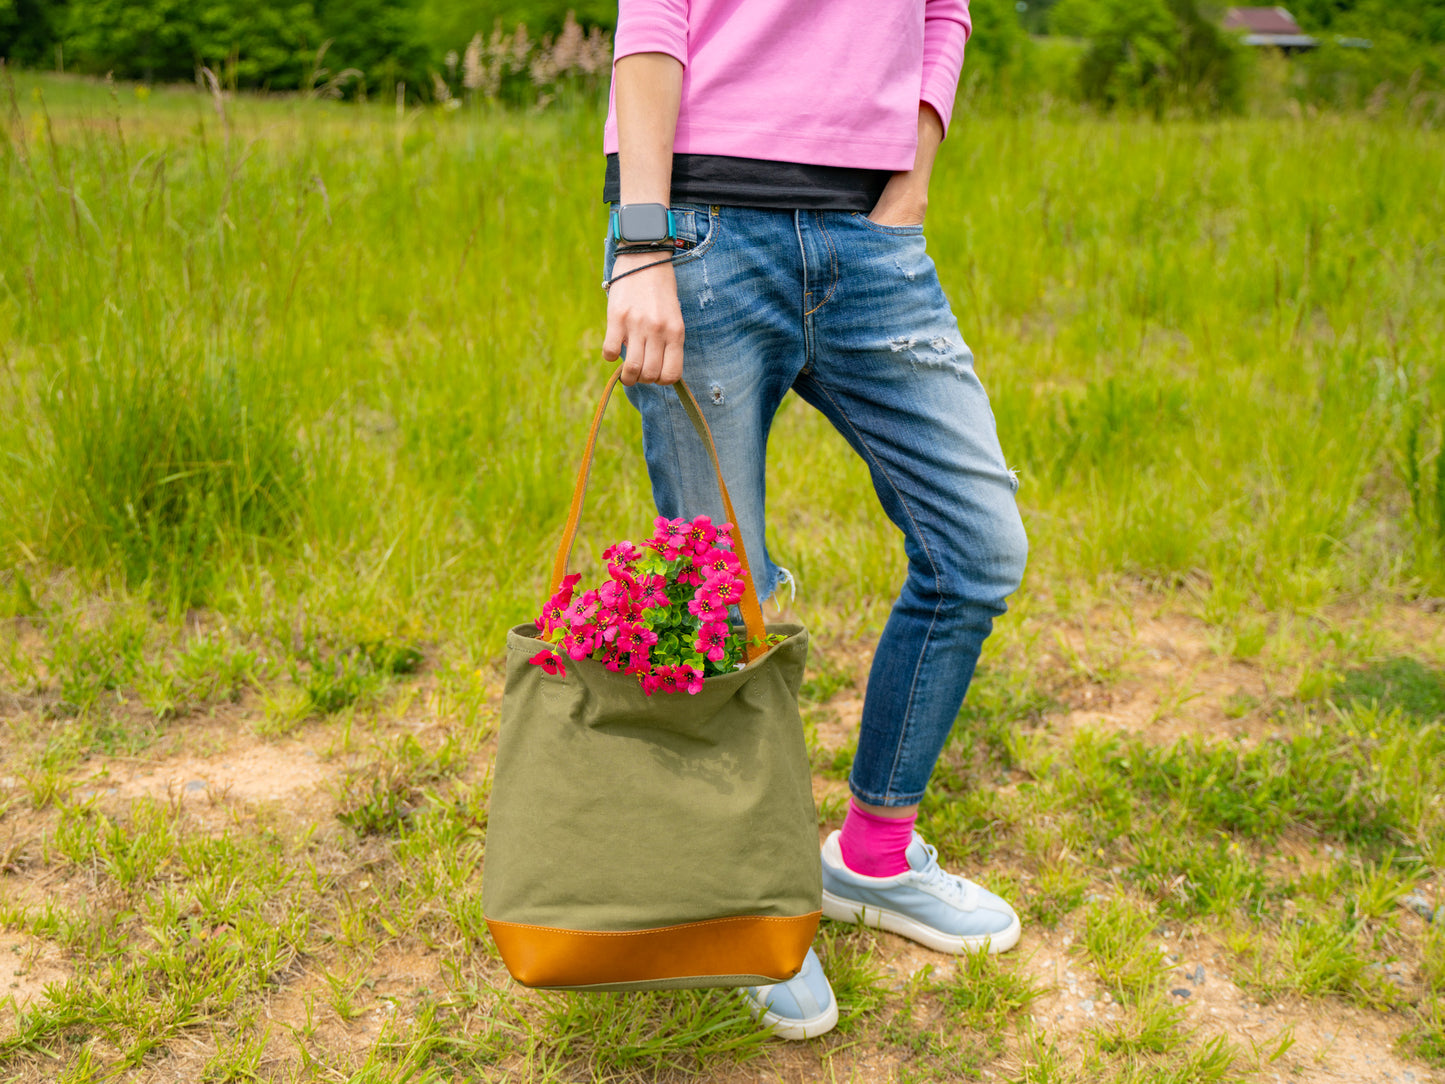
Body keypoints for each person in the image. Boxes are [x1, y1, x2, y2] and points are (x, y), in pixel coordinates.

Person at [599, 0, 1029, 1040]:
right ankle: (744, 898)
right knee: (720, 604)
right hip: (701, 225)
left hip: (869, 240)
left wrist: (912, 179)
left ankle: (872, 858)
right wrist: (642, 242)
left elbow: (942, 13)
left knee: (975, 549)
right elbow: (652, 20)